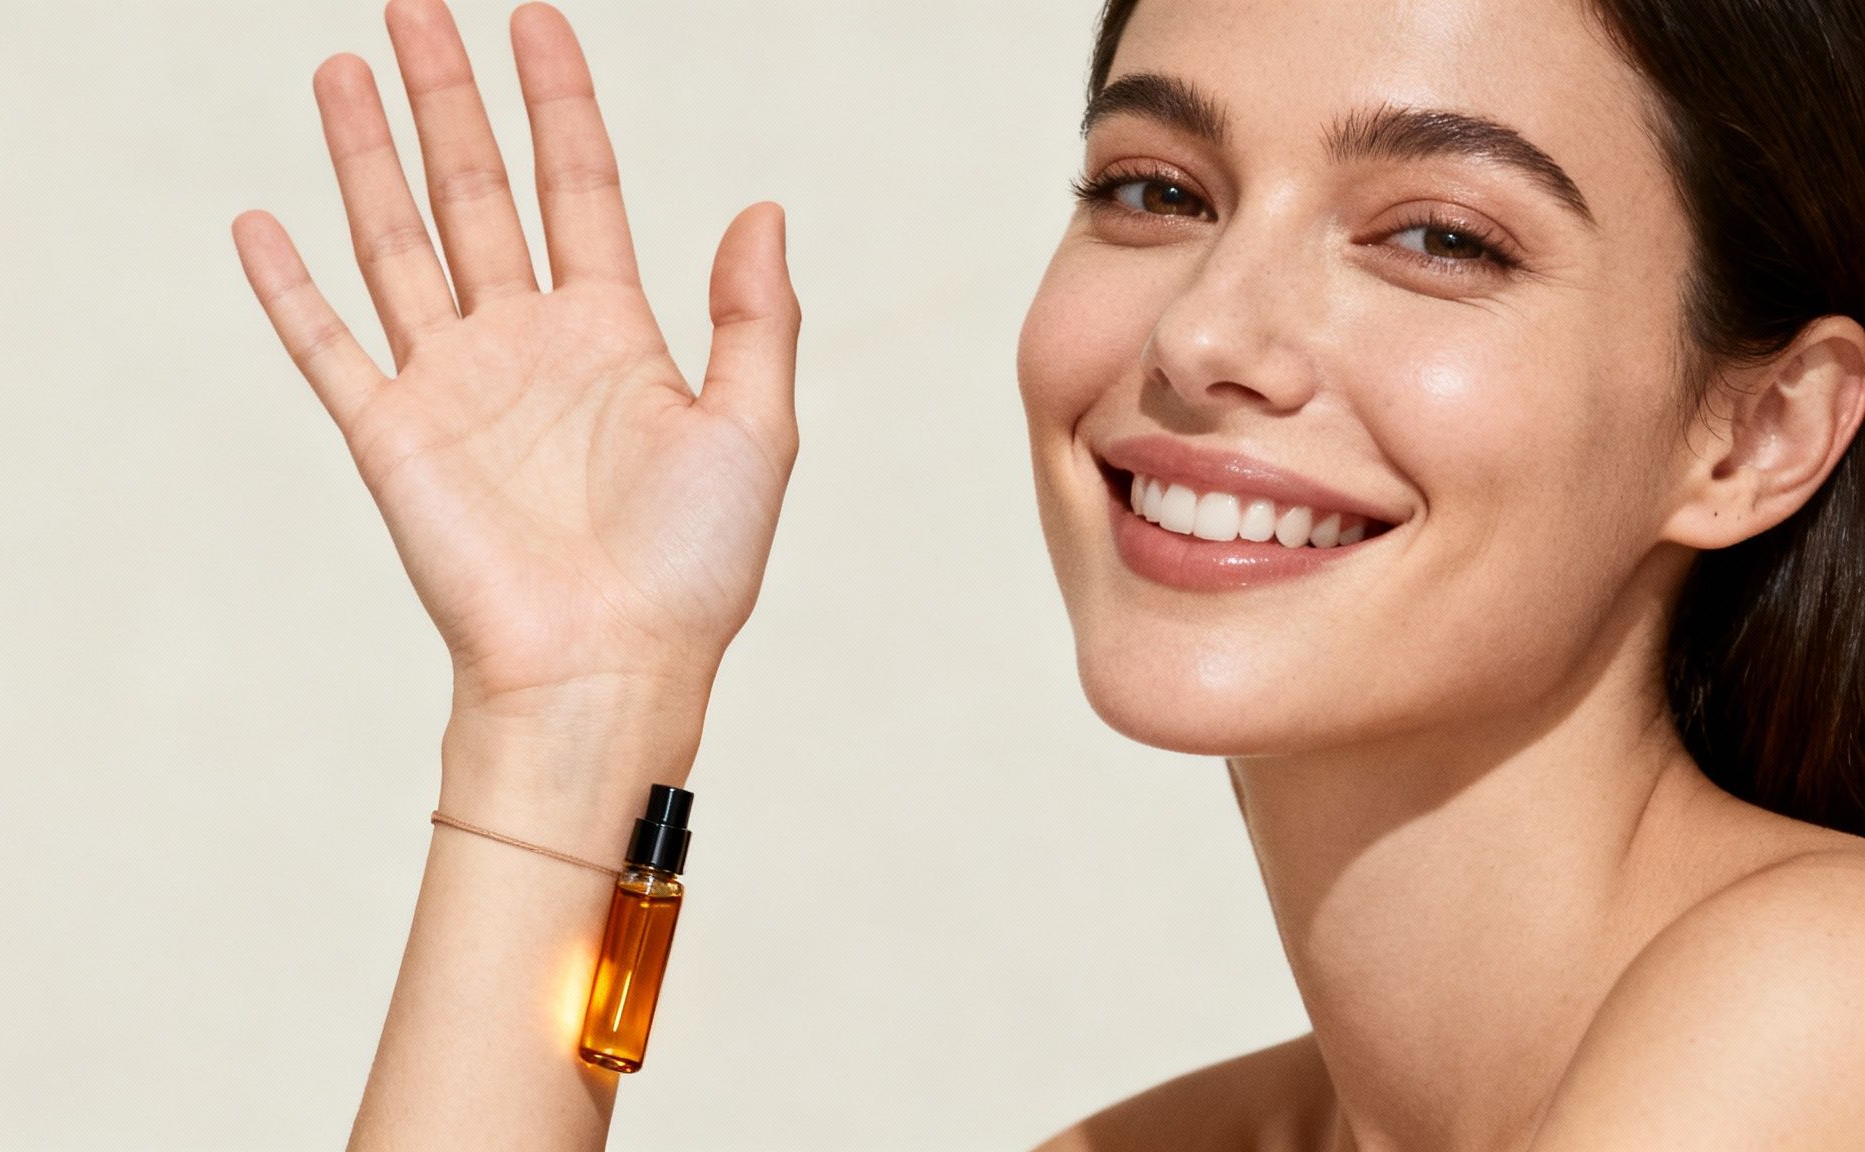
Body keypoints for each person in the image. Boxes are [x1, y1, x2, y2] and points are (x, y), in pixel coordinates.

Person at [228, 0, 1865, 1145]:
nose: (1205, 332)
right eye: (1156, 192)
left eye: (1439, 236)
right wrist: (569, 717)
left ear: (1760, 433)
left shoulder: (1820, 1001)